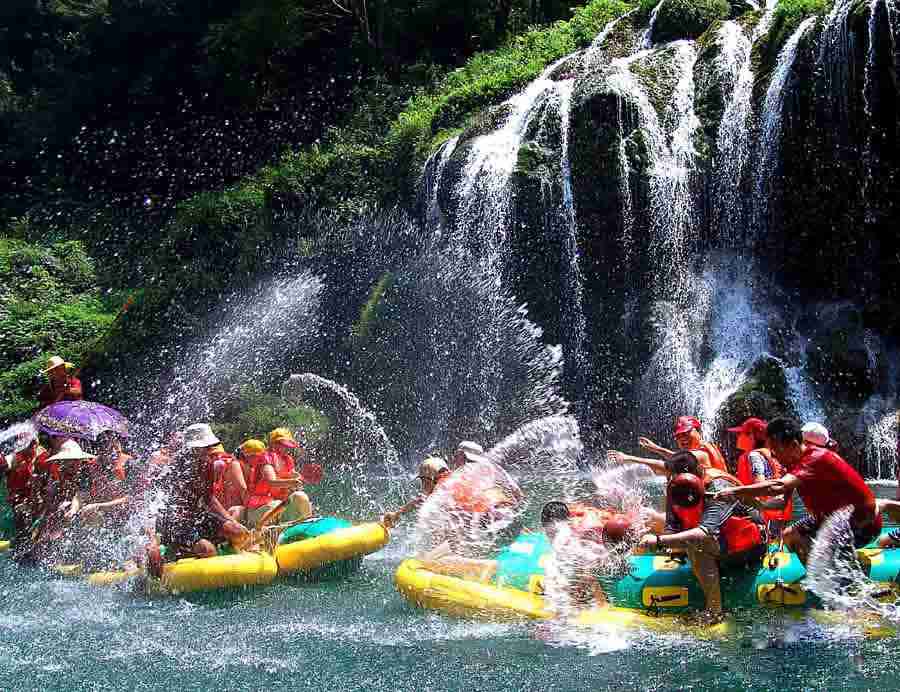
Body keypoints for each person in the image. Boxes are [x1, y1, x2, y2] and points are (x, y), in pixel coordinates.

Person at [715, 417, 881, 563]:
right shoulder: (793, 465)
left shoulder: (816, 458)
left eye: (776, 449)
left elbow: (778, 486)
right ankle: (817, 582)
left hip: (862, 523)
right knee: (789, 535)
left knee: (814, 548)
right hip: (830, 518)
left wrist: (736, 491)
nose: (773, 455)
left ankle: (832, 585)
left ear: (794, 445)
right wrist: (759, 505)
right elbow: (780, 502)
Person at [637, 451, 765, 617]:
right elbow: (672, 524)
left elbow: (703, 533)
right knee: (650, 519)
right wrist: (669, 543)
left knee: (697, 545)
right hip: (717, 537)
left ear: (692, 473)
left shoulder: (719, 487)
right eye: (670, 477)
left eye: (673, 477)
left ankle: (714, 613)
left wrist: (660, 541)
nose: (670, 481)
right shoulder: (677, 486)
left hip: (747, 545)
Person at [150, 424, 250, 565]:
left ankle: (219, 549)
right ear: (192, 448)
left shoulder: (207, 465)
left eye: (209, 446)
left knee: (238, 533)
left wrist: (231, 521)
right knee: (207, 550)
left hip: (197, 517)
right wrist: (153, 538)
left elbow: (209, 498)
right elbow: (157, 505)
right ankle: (179, 550)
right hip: (175, 524)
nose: (209, 450)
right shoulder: (173, 469)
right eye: (205, 447)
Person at [607, 416, 727, 475]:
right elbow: (680, 457)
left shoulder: (701, 454)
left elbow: (666, 465)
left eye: (687, 433)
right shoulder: (703, 448)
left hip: (717, 510)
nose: (683, 438)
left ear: (699, 431)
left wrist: (629, 458)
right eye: (679, 436)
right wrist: (657, 449)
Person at [729, 417, 792, 526]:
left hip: (764, 514)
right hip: (781, 512)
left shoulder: (753, 456)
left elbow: (761, 485)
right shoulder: (775, 453)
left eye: (740, 434)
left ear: (751, 437)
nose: (737, 437)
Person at [237, 438, 311, 529]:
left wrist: (298, 480)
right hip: (259, 506)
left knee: (300, 498)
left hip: (272, 503)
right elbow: (272, 482)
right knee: (279, 505)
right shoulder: (265, 461)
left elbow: (293, 476)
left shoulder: (285, 460)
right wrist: (292, 483)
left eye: (288, 447)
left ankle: (308, 524)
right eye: (254, 455)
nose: (287, 449)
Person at [381, 456, 451, 529]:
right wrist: (397, 514)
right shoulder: (445, 489)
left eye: (423, 480)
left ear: (430, 480)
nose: (423, 484)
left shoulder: (445, 498)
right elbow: (421, 499)